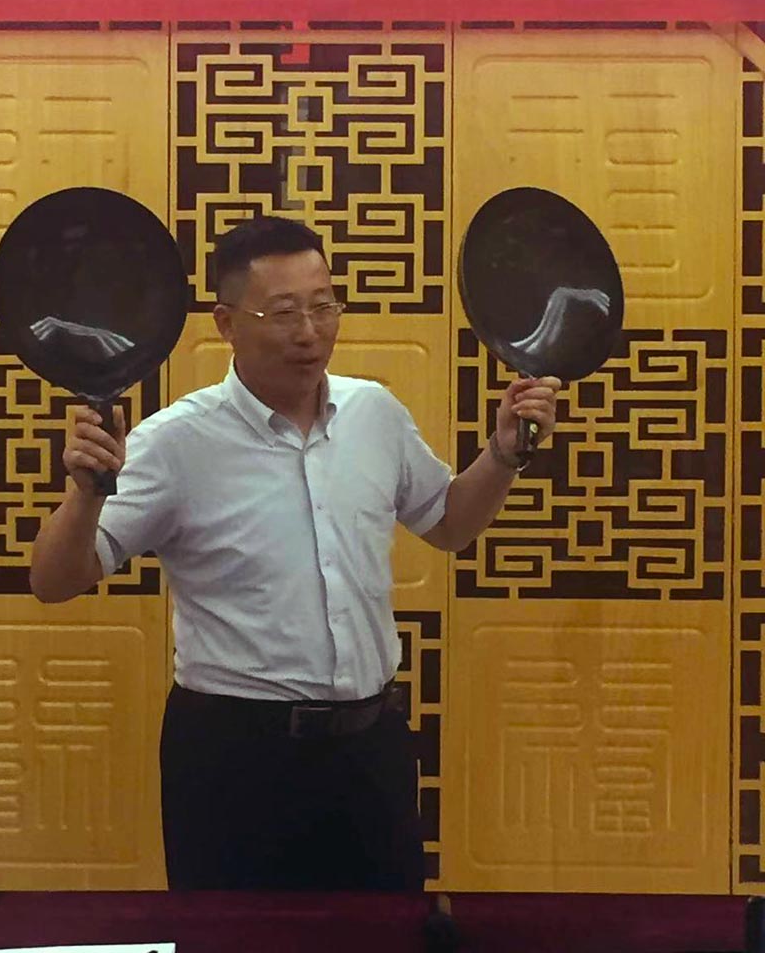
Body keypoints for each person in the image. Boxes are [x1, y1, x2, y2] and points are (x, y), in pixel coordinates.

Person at [31, 215, 560, 892]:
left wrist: (504, 455)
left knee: (385, 934)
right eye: (283, 313)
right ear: (226, 323)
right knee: (236, 939)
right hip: (235, 759)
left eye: (323, 306)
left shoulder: (375, 413)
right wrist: (84, 496)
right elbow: (54, 580)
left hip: (370, 748)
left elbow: (450, 524)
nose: (310, 333)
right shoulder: (175, 443)